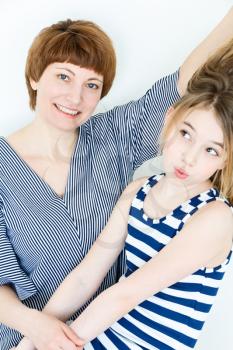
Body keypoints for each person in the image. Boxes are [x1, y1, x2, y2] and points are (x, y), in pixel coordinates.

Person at [1, 8, 233, 350]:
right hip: (32, 340)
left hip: (108, 334)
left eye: (91, 84)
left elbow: (182, 85)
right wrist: (38, 331)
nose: (75, 97)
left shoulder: (115, 136)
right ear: (35, 76)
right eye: (63, 77)